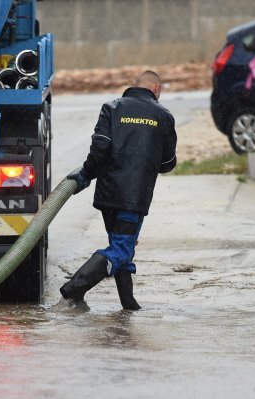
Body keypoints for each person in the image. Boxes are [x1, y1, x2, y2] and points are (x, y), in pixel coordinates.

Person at [61, 70, 178, 310]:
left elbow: (100, 148)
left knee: (120, 246)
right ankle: (73, 290)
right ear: (156, 89)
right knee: (121, 249)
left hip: (108, 194)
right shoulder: (163, 115)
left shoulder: (112, 108)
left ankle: (129, 304)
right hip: (134, 197)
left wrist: (85, 175)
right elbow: (168, 164)